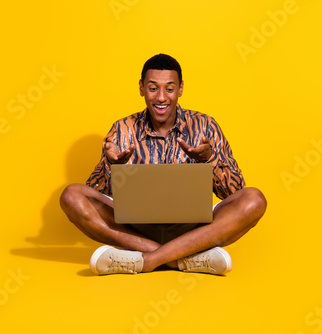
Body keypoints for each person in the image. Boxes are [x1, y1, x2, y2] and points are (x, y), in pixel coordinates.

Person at [60, 54, 267, 276]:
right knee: (71, 196)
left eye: (169, 89)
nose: (161, 98)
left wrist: (209, 159)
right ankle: (182, 258)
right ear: (141, 88)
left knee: (254, 200)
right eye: (152, 88)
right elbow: (95, 195)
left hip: (195, 229)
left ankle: (149, 260)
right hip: (136, 228)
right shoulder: (123, 129)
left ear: (180, 89)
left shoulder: (206, 126)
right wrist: (112, 166)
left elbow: (236, 191)